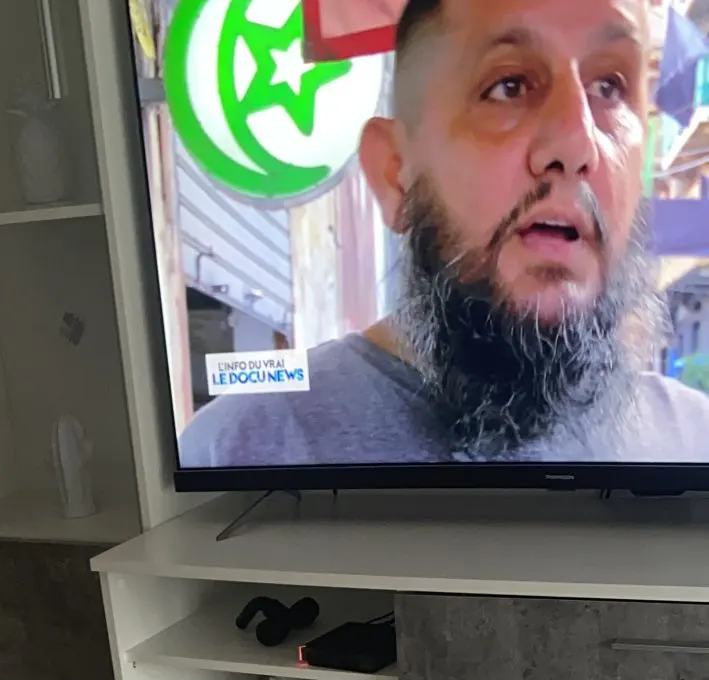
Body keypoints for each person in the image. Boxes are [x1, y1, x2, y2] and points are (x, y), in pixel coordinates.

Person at [181, 0, 709, 469]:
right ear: (396, 174)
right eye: (509, 86)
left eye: (609, 87)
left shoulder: (696, 446)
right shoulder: (240, 451)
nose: (577, 144)